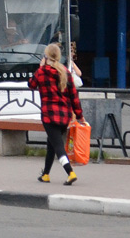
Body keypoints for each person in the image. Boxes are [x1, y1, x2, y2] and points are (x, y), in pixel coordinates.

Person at [28, 43, 84, 185]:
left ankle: (70, 172)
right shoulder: (65, 71)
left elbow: (31, 84)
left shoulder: (42, 72)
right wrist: (79, 116)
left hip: (49, 115)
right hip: (64, 116)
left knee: (58, 146)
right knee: (51, 144)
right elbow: (74, 97)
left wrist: (40, 67)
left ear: (46, 57)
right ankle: (46, 174)